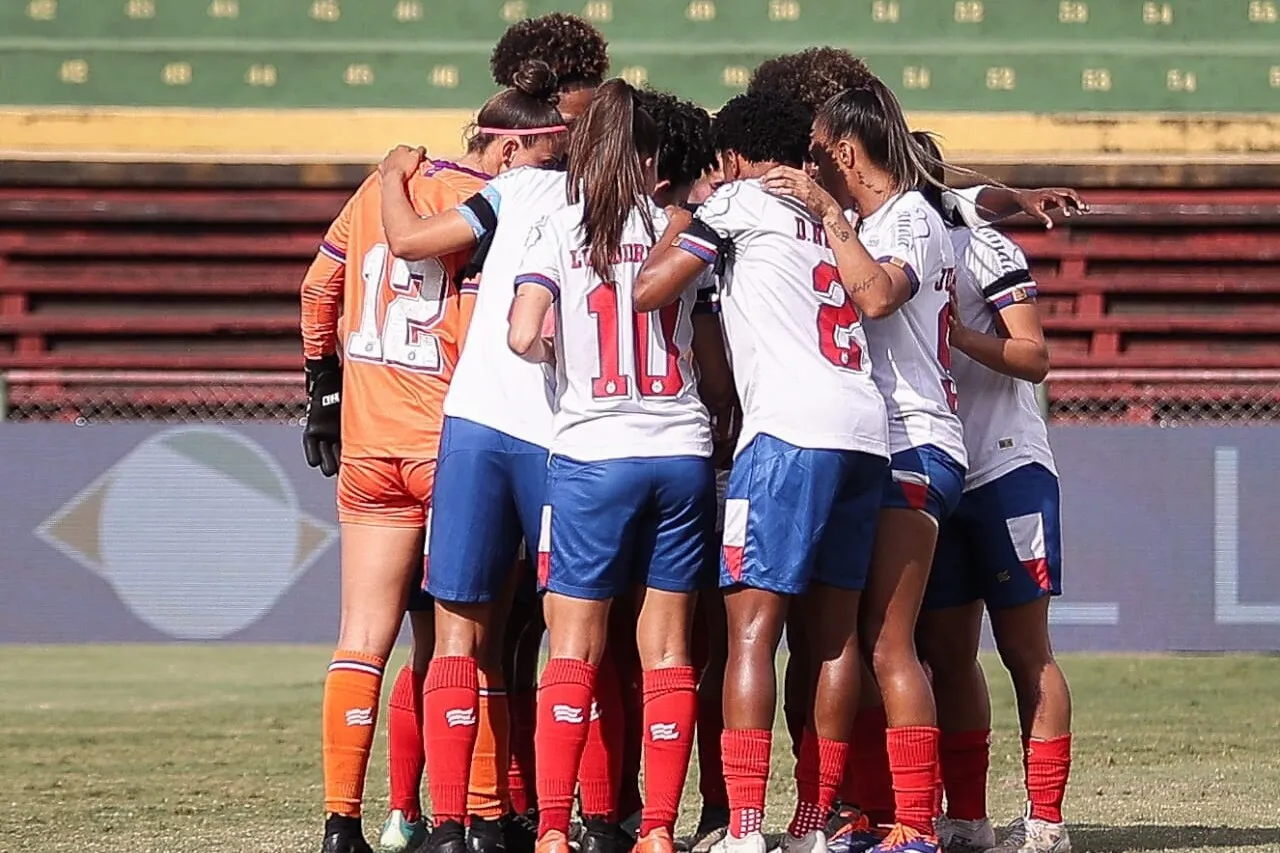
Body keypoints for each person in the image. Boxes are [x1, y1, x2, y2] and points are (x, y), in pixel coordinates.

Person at [299, 62, 568, 853]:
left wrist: (323, 386)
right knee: (462, 643)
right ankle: (477, 816)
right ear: (513, 150)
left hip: (370, 443)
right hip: (449, 445)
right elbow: (487, 325)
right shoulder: (489, 206)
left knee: (360, 638)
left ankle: (343, 819)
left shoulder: (372, 192)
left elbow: (319, 288)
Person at [635, 88, 891, 853]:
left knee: (750, 630)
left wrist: (697, 205)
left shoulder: (741, 201)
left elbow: (651, 286)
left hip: (786, 433)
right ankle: (814, 824)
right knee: (835, 637)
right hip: (863, 431)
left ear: (735, 152)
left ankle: (745, 824)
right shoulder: (823, 213)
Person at [508, 77, 726, 853]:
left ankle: (556, 828)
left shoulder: (558, 228)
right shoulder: (678, 226)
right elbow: (708, 349)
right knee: (667, 648)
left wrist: (557, 350)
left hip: (593, 451)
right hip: (680, 449)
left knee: (573, 646)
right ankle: (661, 830)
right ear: (649, 156)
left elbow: (522, 334)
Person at [761, 77, 964, 853]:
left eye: (818, 152)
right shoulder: (890, 216)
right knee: (845, 637)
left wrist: (823, 211)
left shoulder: (908, 217)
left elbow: (878, 298)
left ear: (845, 150)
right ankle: (861, 810)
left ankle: (917, 820)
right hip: (885, 441)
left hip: (914, 441)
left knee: (887, 642)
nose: (812, 165)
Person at [911, 132, 1073, 853]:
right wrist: (1023, 194)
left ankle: (1045, 821)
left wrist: (956, 337)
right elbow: (989, 195)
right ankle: (968, 817)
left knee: (1025, 650)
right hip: (941, 472)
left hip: (1007, 469)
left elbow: (1035, 356)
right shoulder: (902, 233)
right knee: (947, 652)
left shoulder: (980, 245)